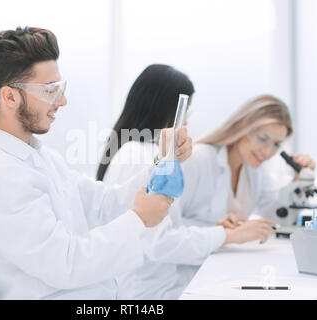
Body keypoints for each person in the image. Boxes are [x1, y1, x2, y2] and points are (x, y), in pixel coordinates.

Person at [0, 27, 193, 300]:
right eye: (49, 90)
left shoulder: (39, 157)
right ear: (9, 96)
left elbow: (102, 204)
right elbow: (65, 264)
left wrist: (161, 163)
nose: (62, 100)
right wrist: (138, 219)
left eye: (61, 88)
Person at [97, 64, 276, 300]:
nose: (187, 124)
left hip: (165, 285)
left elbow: (166, 227)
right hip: (150, 294)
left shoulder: (141, 151)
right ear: (165, 109)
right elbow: (160, 242)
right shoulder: (140, 156)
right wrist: (228, 236)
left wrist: (219, 229)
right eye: (184, 113)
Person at [182, 94, 316, 230]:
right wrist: (217, 230)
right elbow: (165, 226)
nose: (267, 152)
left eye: (276, 144)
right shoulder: (198, 159)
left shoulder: (255, 168)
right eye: (263, 139)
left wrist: (298, 184)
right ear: (242, 128)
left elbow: (276, 217)